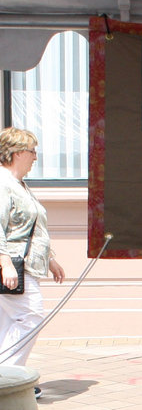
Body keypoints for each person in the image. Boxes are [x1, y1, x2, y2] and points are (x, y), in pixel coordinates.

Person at [0, 127, 65, 387]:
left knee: (8, 323)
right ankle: (8, 379)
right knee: (31, 316)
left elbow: (29, 228)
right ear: (16, 153)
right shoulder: (4, 184)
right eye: (32, 151)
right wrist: (5, 263)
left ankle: (7, 380)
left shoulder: (19, 185)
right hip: (14, 266)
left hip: (22, 265)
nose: (35, 157)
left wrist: (49, 259)